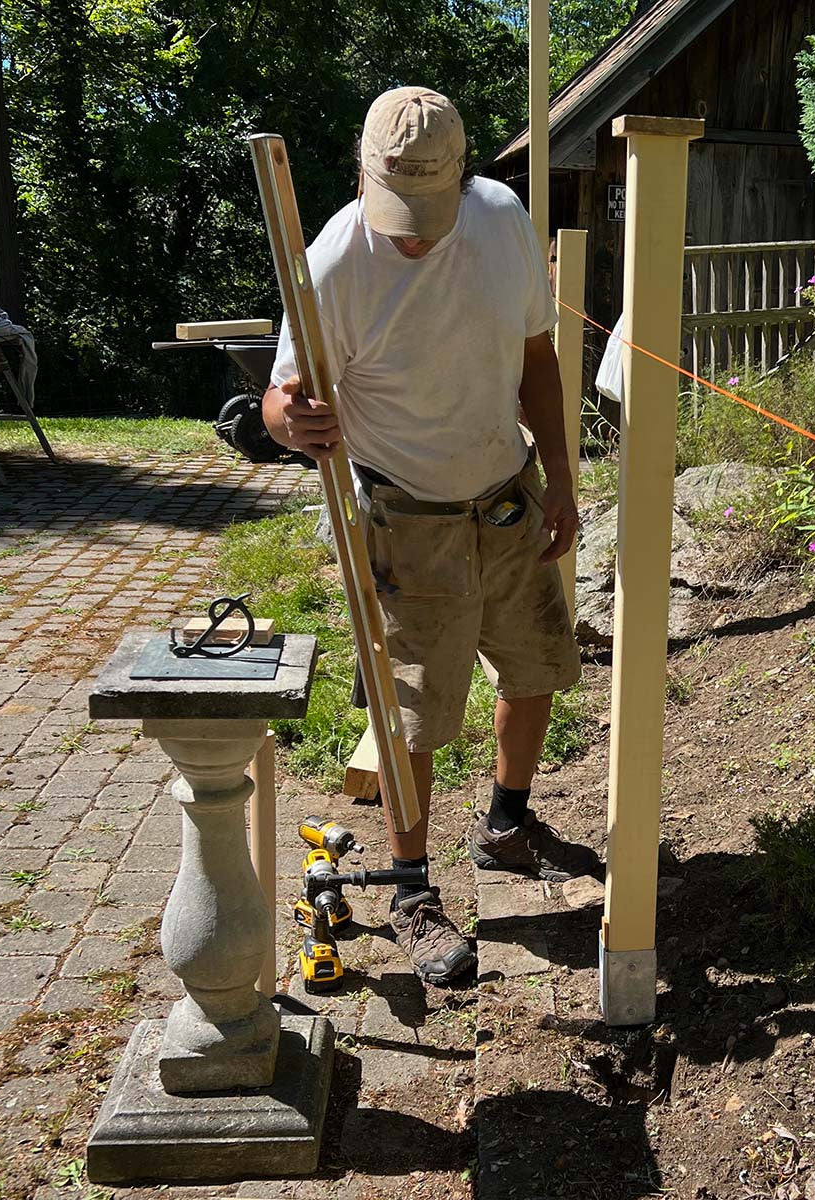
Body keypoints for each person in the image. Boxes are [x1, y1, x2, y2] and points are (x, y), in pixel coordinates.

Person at [263, 86, 600, 986]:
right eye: (397, 212)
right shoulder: (333, 264)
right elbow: (278, 399)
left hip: (505, 495)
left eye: (429, 212)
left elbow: (536, 358)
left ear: (463, 178)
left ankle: (506, 823)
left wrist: (560, 478)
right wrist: (293, 422)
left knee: (535, 665)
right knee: (413, 711)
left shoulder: (501, 220)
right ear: (363, 177)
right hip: (406, 516)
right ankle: (410, 890)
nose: (413, 238)